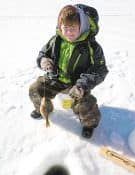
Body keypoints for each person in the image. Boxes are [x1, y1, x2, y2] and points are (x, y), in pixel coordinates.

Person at [29, 5, 108, 138]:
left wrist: (82, 85)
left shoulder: (92, 47)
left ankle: (89, 125)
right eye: (65, 28)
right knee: (36, 89)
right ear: (60, 27)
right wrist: (43, 60)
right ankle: (44, 109)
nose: (69, 33)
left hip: (77, 85)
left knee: (86, 106)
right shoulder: (55, 40)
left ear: (81, 27)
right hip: (56, 79)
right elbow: (43, 53)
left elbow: (100, 70)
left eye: (73, 29)